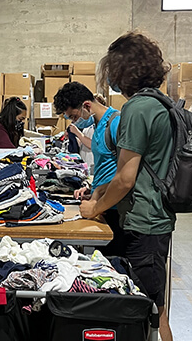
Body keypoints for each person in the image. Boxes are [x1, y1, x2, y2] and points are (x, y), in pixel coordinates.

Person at [79, 31, 174, 341]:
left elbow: (125, 178)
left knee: (140, 314)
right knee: (156, 311)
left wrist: (95, 207)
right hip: (157, 220)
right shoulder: (161, 104)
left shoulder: (136, 109)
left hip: (140, 225)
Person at [53, 82, 124, 257]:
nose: (74, 122)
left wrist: (98, 198)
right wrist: (92, 191)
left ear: (86, 106)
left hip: (117, 209)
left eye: (74, 117)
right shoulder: (98, 126)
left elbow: (124, 174)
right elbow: (107, 165)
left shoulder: (115, 124)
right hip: (102, 204)